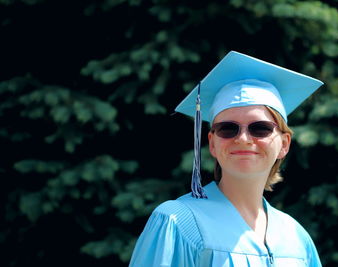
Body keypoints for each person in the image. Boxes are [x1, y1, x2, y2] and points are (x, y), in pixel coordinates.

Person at [128, 51, 324, 267]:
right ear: (212, 143)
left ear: (284, 144)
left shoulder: (296, 238)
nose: (242, 139)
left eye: (260, 128)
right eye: (227, 129)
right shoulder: (177, 223)